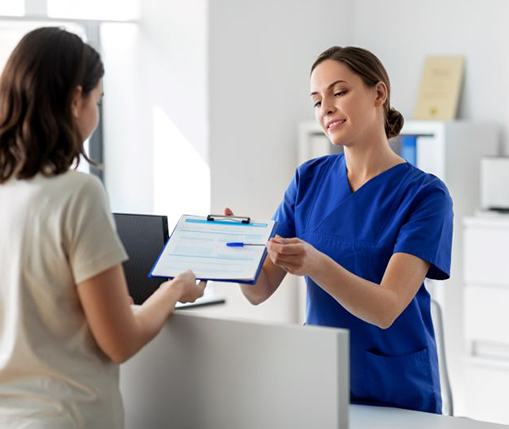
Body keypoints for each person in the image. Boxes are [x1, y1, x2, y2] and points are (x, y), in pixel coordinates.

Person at [227, 46, 453, 414]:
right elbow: (260, 289)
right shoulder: (308, 179)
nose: (326, 108)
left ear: (379, 94)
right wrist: (230, 253)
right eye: (317, 100)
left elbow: (387, 307)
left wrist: (316, 264)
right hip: (320, 378)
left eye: (339, 92)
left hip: (395, 389)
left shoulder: (425, 195)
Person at [0, 27, 205, 428]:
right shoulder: (77, 193)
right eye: (99, 100)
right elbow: (120, 342)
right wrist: (174, 289)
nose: (97, 112)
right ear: (77, 99)